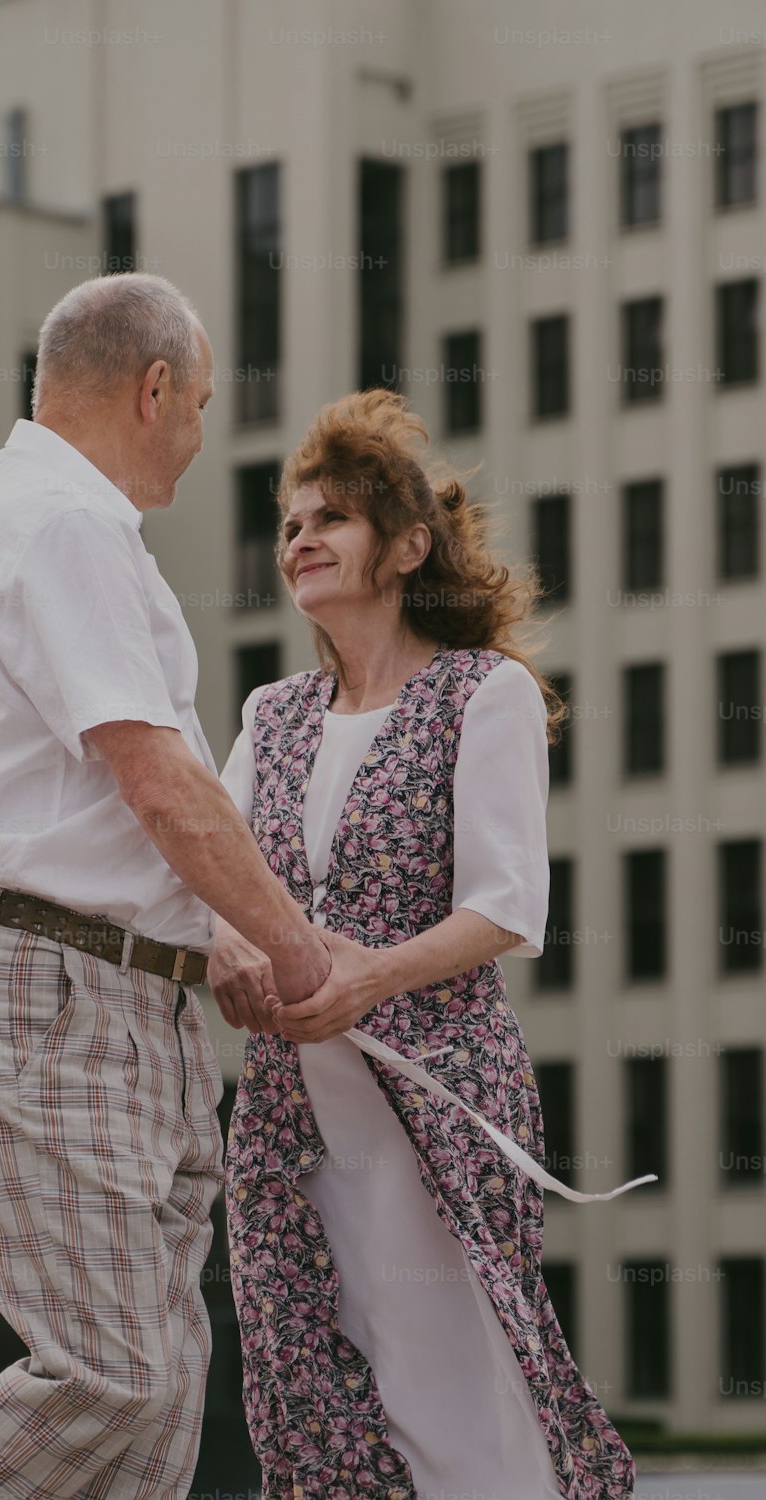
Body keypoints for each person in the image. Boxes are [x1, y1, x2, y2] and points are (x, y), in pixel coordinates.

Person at [0, 272, 355, 1500]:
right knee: (117, 1381)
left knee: (152, 1421)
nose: (201, 440)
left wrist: (220, 938)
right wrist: (297, 948)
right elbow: (155, 782)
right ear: (154, 390)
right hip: (49, 994)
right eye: (200, 406)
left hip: (122, 1004)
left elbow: (120, 802)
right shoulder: (65, 525)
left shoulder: (58, 525)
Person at [210, 389, 640, 1500]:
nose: (300, 538)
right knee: (310, 1403)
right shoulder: (271, 715)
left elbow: (506, 907)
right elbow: (211, 876)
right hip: (287, 1118)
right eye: (291, 523)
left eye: (331, 519)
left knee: (457, 1391)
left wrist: (369, 974)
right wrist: (225, 949)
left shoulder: (479, 694)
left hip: (437, 1097)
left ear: (406, 547)